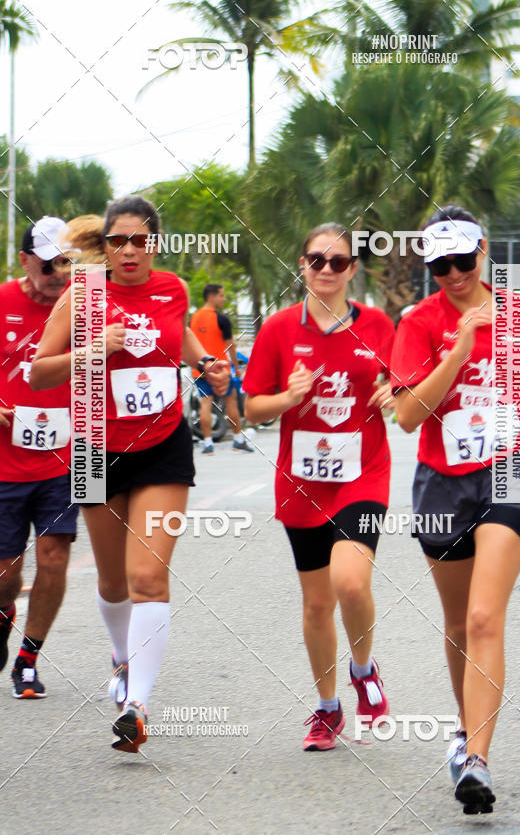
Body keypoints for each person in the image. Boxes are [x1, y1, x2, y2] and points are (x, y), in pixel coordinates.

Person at [30, 195, 229, 752]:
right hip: (95, 446)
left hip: (163, 445)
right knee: (114, 581)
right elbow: (40, 372)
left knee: (147, 578)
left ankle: (138, 704)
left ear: (155, 243)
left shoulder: (174, 289)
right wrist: (95, 349)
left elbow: (184, 345)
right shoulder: (82, 296)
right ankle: (122, 659)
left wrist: (208, 368)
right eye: (118, 241)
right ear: (106, 246)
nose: (129, 251)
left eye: (140, 240)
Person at [391, 206, 520, 812]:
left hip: (512, 468)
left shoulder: (518, 307)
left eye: (463, 261)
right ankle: (466, 729)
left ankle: (477, 762)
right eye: (439, 265)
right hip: (443, 480)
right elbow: (409, 415)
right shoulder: (417, 321)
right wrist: (460, 346)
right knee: (460, 622)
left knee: (486, 616)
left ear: (483, 250)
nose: (453, 274)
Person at [244, 223, 395, 751]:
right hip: (302, 482)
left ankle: (362, 669)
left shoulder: (378, 325)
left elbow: (403, 387)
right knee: (315, 606)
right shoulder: (280, 329)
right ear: (302, 265)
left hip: (363, 473)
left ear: (352, 269)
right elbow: (248, 409)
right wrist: (286, 399)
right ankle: (328, 709)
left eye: (337, 262)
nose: (326, 270)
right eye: (316, 260)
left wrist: (390, 395)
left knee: (350, 583)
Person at [0, 216, 79, 698]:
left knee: (54, 561)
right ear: (26, 260)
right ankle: (5, 611)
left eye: (67, 262)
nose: (57, 272)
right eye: (49, 263)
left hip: (66, 458)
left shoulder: (83, 306)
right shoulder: (2, 301)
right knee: (7, 576)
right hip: (4, 464)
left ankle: (28, 659)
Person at [190, 283, 253, 454]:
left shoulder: (194, 318)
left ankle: (208, 443)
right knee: (231, 402)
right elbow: (230, 345)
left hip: (201, 369)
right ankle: (238, 440)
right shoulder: (221, 319)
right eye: (221, 295)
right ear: (212, 297)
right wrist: (236, 367)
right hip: (221, 370)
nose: (223, 299)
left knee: (205, 404)